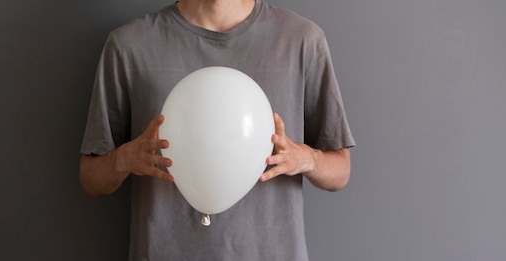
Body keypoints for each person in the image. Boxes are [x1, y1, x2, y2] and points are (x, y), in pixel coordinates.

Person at [79, 0, 355, 260]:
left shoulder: (301, 40)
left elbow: (340, 171)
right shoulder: (129, 45)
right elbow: (91, 179)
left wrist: (306, 158)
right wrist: (123, 160)